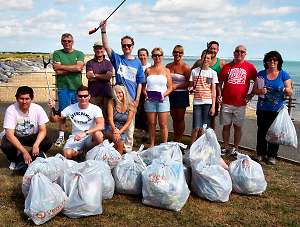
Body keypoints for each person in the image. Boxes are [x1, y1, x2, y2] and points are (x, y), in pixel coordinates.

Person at [100, 21, 145, 152]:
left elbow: (140, 83)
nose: (126, 47)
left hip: (131, 98)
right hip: (118, 97)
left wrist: (137, 99)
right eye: (124, 45)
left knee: (130, 125)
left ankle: (128, 149)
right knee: (114, 121)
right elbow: (106, 46)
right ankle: (115, 144)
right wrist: (103, 30)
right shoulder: (117, 59)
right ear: (121, 46)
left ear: (132, 46)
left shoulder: (137, 63)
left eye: (129, 45)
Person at [252, 51, 292, 165]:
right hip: (262, 109)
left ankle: (272, 156)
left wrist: (287, 90)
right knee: (261, 132)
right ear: (266, 62)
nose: (272, 62)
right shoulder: (261, 74)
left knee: (275, 133)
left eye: (275, 60)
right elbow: (254, 90)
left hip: (277, 110)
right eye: (270, 60)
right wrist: (260, 91)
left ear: (279, 61)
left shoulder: (283, 74)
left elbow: (289, 91)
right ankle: (260, 153)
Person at [0, 86, 51, 172]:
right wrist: (24, 152)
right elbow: (9, 135)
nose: (24, 102)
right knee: (5, 145)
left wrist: (36, 145)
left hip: (32, 136)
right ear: (17, 98)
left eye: (27, 99)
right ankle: (14, 159)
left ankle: (30, 157)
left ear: (32, 98)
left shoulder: (38, 109)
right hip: (16, 136)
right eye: (21, 98)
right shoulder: (11, 110)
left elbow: (43, 130)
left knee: (47, 142)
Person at [219, 45, 257, 155]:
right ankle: (225, 146)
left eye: (242, 51)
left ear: (245, 54)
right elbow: (220, 82)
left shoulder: (250, 67)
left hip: (240, 103)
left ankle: (235, 147)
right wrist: (219, 94)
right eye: (237, 51)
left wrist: (251, 94)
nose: (239, 53)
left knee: (238, 127)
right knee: (226, 126)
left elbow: (258, 81)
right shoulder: (227, 66)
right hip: (226, 102)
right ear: (234, 53)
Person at [48, 85, 104, 159]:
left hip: (90, 136)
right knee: (66, 153)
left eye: (85, 96)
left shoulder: (95, 109)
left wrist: (85, 133)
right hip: (76, 137)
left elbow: (101, 125)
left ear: (89, 96)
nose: (83, 98)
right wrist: (52, 108)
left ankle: (93, 151)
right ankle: (81, 152)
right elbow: (54, 119)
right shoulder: (70, 108)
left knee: (98, 134)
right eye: (80, 96)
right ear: (77, 97)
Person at [52, 33, 85, 148]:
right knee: (63, 113)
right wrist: (74, 68)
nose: (67, 43)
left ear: (73, 41)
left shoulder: (79, 54)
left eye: (69, 41)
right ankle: (61, 137)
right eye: (64, 41)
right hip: (63, 88)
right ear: (61, 42)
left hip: (77, 88)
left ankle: (76, 135)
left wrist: (63, 67)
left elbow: (79, 68)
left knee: (78, 113)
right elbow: (58, 71)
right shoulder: (57, 53)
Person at [191, 41, 226, 129]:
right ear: (208, 49)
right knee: (199, 122)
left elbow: (222, 80)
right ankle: (199, 139)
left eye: (215, 49)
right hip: (201, 95)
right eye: (211, 48)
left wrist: (221, 95)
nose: (213, 50)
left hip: (215, 93)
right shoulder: (200, 62)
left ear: (218, 50)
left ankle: (210, 138)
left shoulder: (221, 63)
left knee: (211, 118)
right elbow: (191, 74)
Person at [143, 47, 173, 147]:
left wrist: (162, 95)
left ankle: (164, 145)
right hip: (150, 100)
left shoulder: (166, 70)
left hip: (163, 100)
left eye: (159, 55)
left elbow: (170, 87)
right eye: (155, 55)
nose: (157, 57)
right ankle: (152, 144)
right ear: (152, 57)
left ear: (162, 56)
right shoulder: (148, 70)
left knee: (163, 124)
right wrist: (146, 94)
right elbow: (143, 87)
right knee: (151, 124)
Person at [189, 50, 218, 144]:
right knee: (196, 127)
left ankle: (201, 147)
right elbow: (190, 86)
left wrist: (213, 106)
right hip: (197, 103)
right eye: (204, 58)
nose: (206, 60)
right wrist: (191, 90)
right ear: (201, 58)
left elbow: (213, 90)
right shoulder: (194, 71)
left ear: (210, 60)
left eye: (208, 58)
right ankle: (192, 147)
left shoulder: (213, 73)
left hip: (208, 103)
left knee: (204, 128)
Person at [166, 45, 191, 142]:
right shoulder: (168, 66)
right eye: (176, 52)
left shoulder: (185, 67)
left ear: (182, 54)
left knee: (180, 118)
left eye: (180, 52)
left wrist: (176, 86)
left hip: (181, 95)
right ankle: (175, 137)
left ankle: (179, 139)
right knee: (174, 118)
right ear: (173, 53)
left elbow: (189, 83)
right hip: (171, 94)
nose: (178, 54)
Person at [86, 40, 113, 119]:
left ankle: (106, 131)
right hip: (93, 94)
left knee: (107, 116)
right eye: (97, 48)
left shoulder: (108, 63)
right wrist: (103, 76)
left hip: (106, 93)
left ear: (104, 49)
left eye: (101, 48)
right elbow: (89, 76)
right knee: (93, 116)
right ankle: (94, 131)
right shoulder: (90, 63)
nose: (99, 50)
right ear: (94, 49)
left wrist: (95, 75)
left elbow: (108, 77)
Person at [105, 85, 135, 154]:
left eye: (120, 92)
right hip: (111, 127)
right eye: (116, 93)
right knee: (118, 141)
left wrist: (119, 132)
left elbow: (128, 122)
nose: (118, 95)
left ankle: (117, 158)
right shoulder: (112, 102)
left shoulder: (131, 105)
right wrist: (115, 130)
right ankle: (114, 157)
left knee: (119, 141)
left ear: (124, 93)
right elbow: (110, 119)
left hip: (122, 130)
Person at [135, 48, 151, 139]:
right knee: (137, 112)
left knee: (146, 113)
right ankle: (139, 131)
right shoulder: (136, 66)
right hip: (136, 91)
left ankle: (146, 132)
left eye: (144, 55)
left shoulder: (150, 66)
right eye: (140, 55)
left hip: (146, 92)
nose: (142, 57)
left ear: (147, 56)